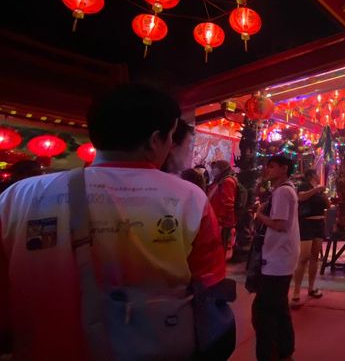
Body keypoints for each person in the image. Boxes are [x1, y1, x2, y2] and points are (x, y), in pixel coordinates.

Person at [0, 83, 226, 359]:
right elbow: (209, 285)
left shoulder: (17, 197)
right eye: (171, 136)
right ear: (155, 140)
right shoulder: (190, 198)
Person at [252, 154, 300, 361]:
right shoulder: (286, 190)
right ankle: (284, 350)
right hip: (282, 256)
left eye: (272, 167)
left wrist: (258, 215)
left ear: (283, 169)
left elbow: (279, 225)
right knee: (279, 306)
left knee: (263, 311)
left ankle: (269, 353)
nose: (268, 170)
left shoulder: (282, 192)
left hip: (277, 258)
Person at [290, 169, 329, 308]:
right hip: (307, 223)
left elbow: (327, 205)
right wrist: (317, 190)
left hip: (319, 223)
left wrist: (323, 195)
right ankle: (296, 291)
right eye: (317, 175)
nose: (319, 176)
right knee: (303, 257)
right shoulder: (304, 186)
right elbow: (301, 197)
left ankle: (311, 287)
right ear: (312, 176)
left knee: (314, 256)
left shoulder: (318, 190)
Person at [207, 160, 238, 256]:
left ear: (222, 169)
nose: (213, 170)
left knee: (218, 249)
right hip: (215, 219)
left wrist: (221, 221)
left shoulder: (227, 181)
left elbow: (228, 204)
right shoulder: (220, 180)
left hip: (221, 223)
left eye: (216, 167)